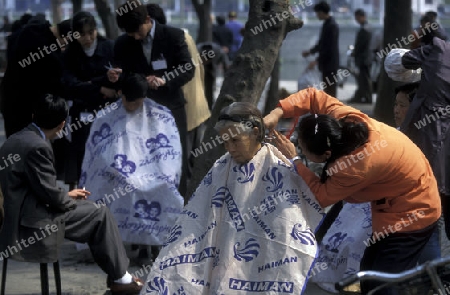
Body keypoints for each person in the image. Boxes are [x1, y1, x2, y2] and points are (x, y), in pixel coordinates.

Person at [264, 87, 441, 295]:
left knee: (382, 284)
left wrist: (295, 161)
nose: (300, 151)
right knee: (369, 274)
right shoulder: (345, 120)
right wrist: (277, 112)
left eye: (304, 150)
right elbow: (313, 95)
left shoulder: (354, 166)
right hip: (402, 195)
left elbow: (321, 196)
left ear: (327, 154)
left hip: (413, 212)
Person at [142, 102, 325, 294]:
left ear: (255, 132)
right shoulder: (221, 167)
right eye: (225, 142)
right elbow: (195, 220)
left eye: (235, 141)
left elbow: (287, 230)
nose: (230, 148)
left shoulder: (278, 168)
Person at [0, 94, 143, 294]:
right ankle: (121, 278)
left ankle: (119, 275)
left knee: (93, 211)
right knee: (99, 213)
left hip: (20, 212)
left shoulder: (17, 138)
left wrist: (67, 195)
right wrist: (66, 199)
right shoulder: (38, 147)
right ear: (62, 125)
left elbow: (39, 186)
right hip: (33, 220)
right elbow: (51, 197)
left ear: (34, 115)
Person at [81, 73, 183, 263]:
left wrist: (163, 171)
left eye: (138, 102)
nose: (134, 106)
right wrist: (118, 170)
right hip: (117, 172)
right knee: (125, 185)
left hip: (154, 171)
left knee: (162, 186)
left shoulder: (161, 115)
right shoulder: (107, 116)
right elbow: (98, 154)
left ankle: (151, 243)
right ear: (121, 94)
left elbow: (170, 151)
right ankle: (111, 243)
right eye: (130, 102)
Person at [113, 1, 194, 198]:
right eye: (129, 33)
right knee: (142, 159)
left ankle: (179, 205)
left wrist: (165, 80)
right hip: (139, 111)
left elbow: (187, 69)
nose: (135, 36)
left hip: (170, 107)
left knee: (174, 159)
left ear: (148, 19)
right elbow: (123, 75)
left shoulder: (173, 36)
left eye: (137, 31)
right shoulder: (123, 43)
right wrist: (119, 77)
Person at [145, 3, 211, 188]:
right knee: (192, 163)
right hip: (198, 107)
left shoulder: (174, 39)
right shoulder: (183, 36)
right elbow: (201, 71)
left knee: (184, 164)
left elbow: (187, 75)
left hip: (187, 110)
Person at [400, 32, 450, 242]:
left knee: (429, 197)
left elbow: (404, 60)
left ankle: (430, 263)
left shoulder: (438, 49)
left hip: (434, 132)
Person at [60, 11, 118, 189]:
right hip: (81, 111)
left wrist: (105, 83)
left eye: (90, 32)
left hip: (107, 109)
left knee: (108, 150)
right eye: (81, 34)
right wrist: (99, 86)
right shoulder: (69, 54)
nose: (87, 38)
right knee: (82, 152)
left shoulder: (109, 47)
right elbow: (69, 85)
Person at [0, 14, 67, 138]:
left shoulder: (28, 35)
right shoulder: (47, 51)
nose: (63, 49)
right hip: (25, 107)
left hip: (12, 101)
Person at [302, 1, 339, 98]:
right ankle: (328, 110)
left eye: (317, 13)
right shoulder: (327, 24)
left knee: (330, 90)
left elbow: (329, 48)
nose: (317, 16)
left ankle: (332, 111)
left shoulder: (332, 26)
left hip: (330, 63)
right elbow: (321, 44)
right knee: (327, 89)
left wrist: (316, 61)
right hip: (326, 63)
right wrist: (310, 52)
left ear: (322, 12)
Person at [349, 9, 372, 104]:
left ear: (362, 17)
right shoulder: (368, 27)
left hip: (364, 58)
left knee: (364, 79)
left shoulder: (364, 29)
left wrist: (354, 52)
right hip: (366, 58)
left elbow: (360, 45)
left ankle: (366, 98)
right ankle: (364, 97)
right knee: (364, 79)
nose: (357, 20)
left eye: (358, 18)